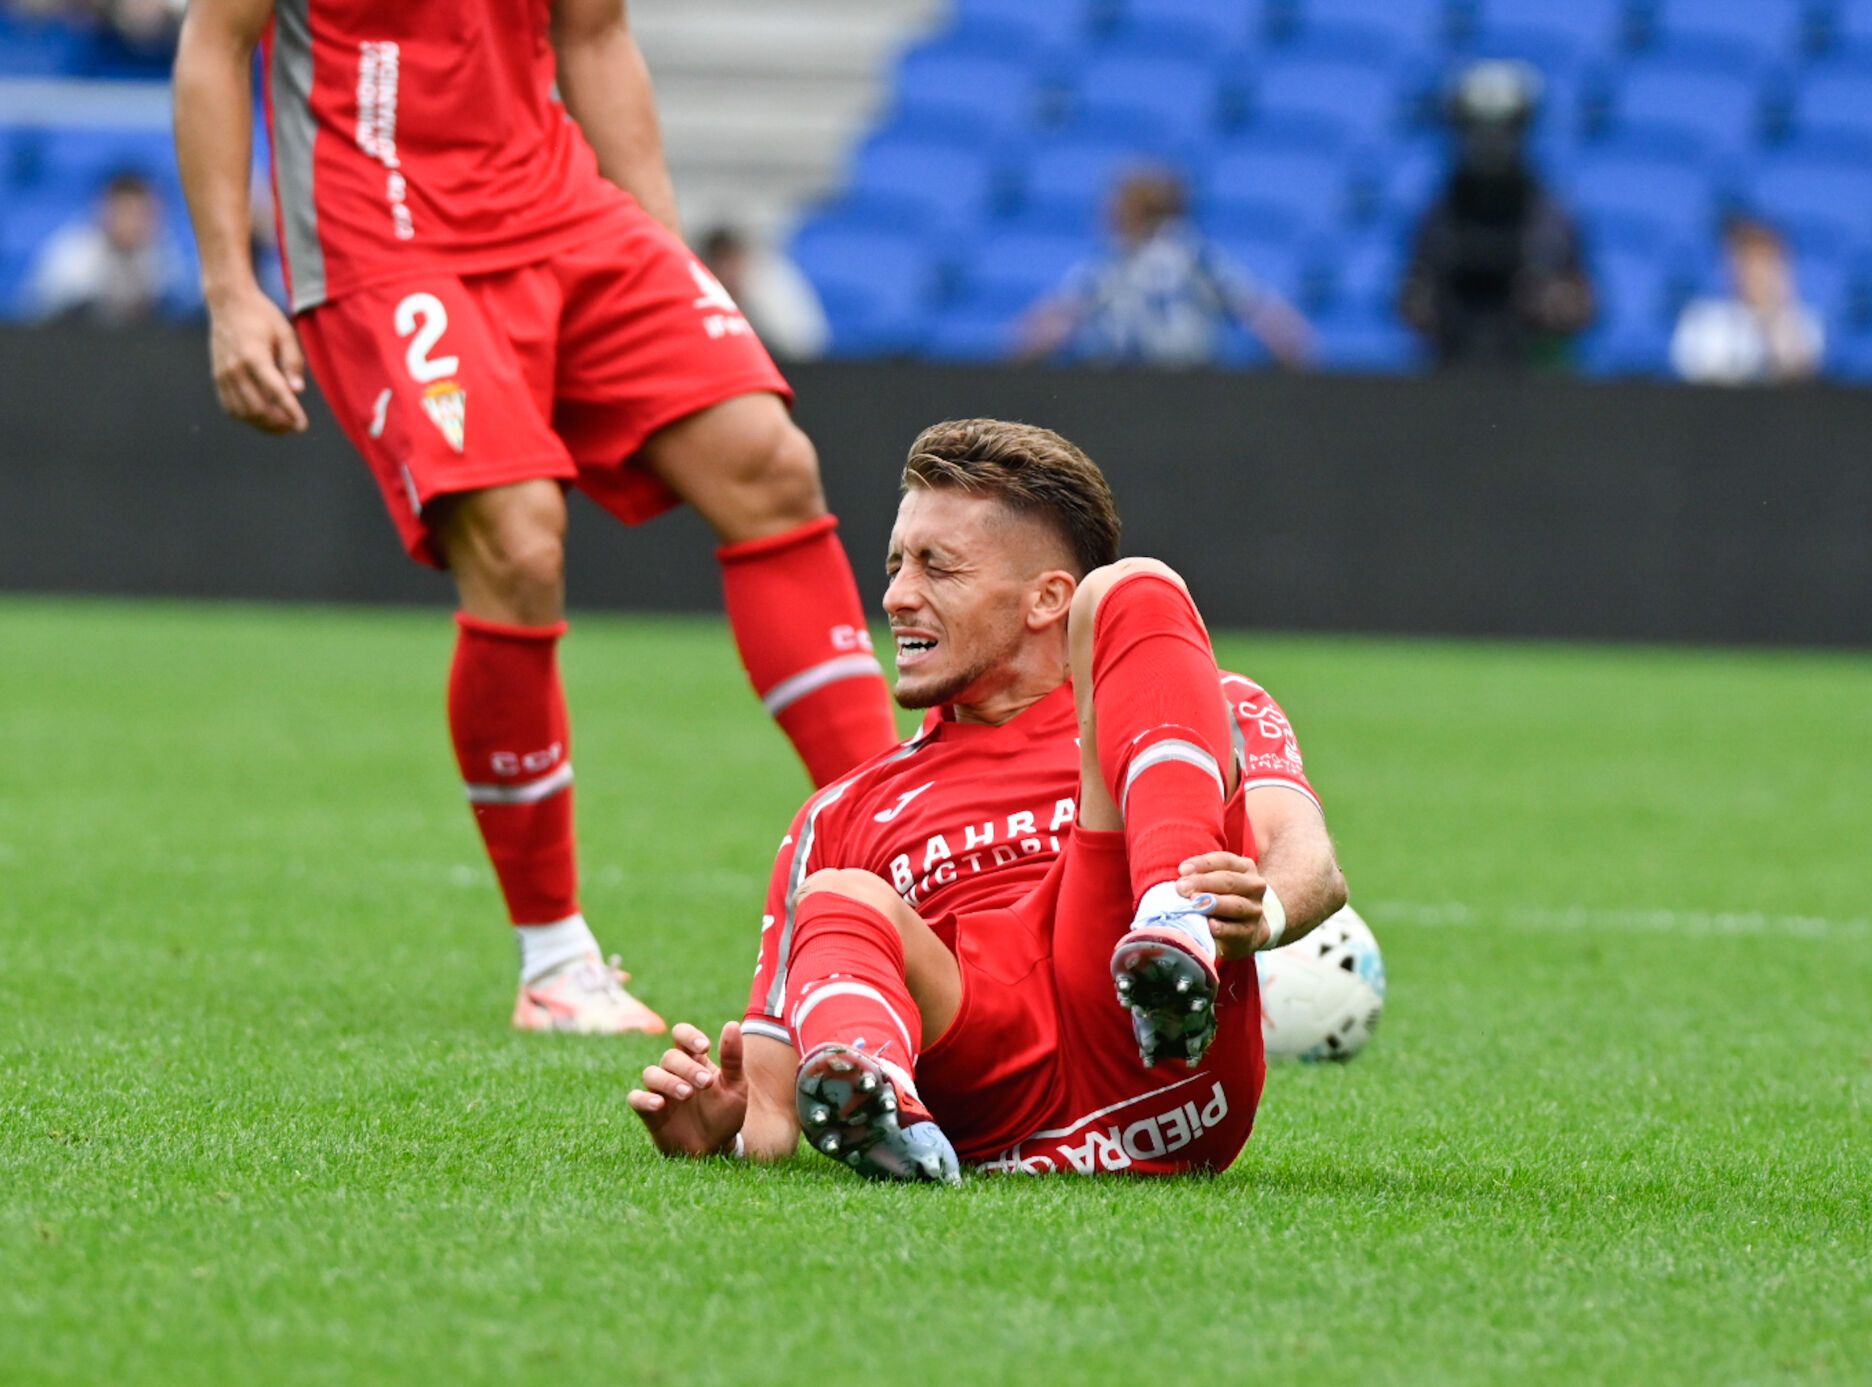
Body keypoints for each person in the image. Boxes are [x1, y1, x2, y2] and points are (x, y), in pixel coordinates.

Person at [171, 0, 898, 1035]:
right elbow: (216, 38)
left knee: (768, 463)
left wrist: (660, 248)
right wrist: (230, 287)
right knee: (517, 543)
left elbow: (594, 35)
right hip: (388, 241)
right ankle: (555, 959)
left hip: (567, 213)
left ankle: (896, 851)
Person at [628, 419, 1349, 1182]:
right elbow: (771, 1108)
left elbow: (1311, 866)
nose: (897, 596)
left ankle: (1174, 928)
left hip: (1161, 1061)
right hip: (984, 1089)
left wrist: (1255, 915)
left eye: (937, 568)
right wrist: (726, 1129)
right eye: (896, 564)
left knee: (1138, 587)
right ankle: (886, 1113)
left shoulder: (1199, 701)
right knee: (839, 896)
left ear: (1047, 600)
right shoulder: (840, 812)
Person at [1400, 60, 1595, 370]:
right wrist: (1435, 304)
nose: (1489, 142)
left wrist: (1547, 301)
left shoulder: (1551, 218)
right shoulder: (1438, 216)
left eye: (1503, 129)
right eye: (1476, 127)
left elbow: (1584, 306)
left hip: (1533, 378)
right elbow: (1409, 301)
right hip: (1451, 375)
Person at [1018, 169, 1314, 369]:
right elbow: (1273, 320)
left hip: (1136, 382)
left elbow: (1046, 327)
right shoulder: (1198, 254)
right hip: (1182, 383)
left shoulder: (1120, 263)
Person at [1671, 216, 1825, 386]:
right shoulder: (1701, 319)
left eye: (1766, 263)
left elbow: (1803, 381)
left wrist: (1776, 319)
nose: (1757, 275)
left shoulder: (1805, 323)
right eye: (1748, 263)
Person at [24, 170, 185, 326]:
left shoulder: (163, 255)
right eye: (126, 212)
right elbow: (42, 315)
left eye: (144, 214)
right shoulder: (73, 254)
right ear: (105, 211)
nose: (134, 224)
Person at [696, 226, 830, 361]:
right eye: (718, 262)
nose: (725, 272)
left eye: (729, 262)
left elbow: (805, 344)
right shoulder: (698, 296)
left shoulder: (770, 287)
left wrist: (750, 306)